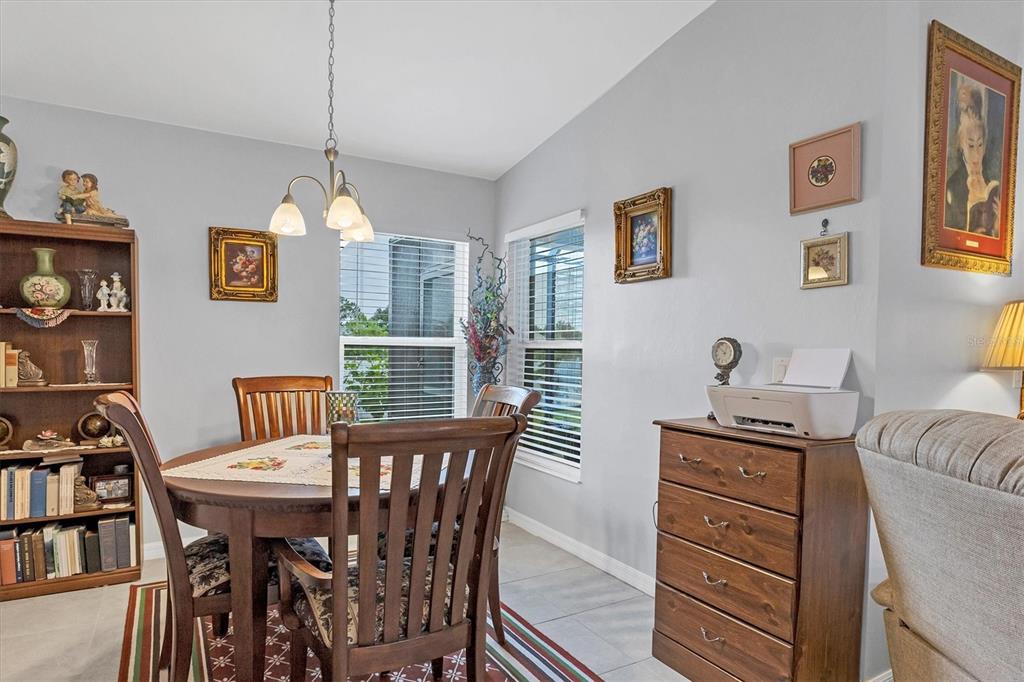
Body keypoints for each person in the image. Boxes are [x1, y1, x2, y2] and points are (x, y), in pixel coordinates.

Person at [945, 85, 1000, 237]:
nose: (976, 153)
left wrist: (997, 226)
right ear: (961, 145)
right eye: (970, 145)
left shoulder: (992, 181)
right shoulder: (952, 186)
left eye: (980, 144)